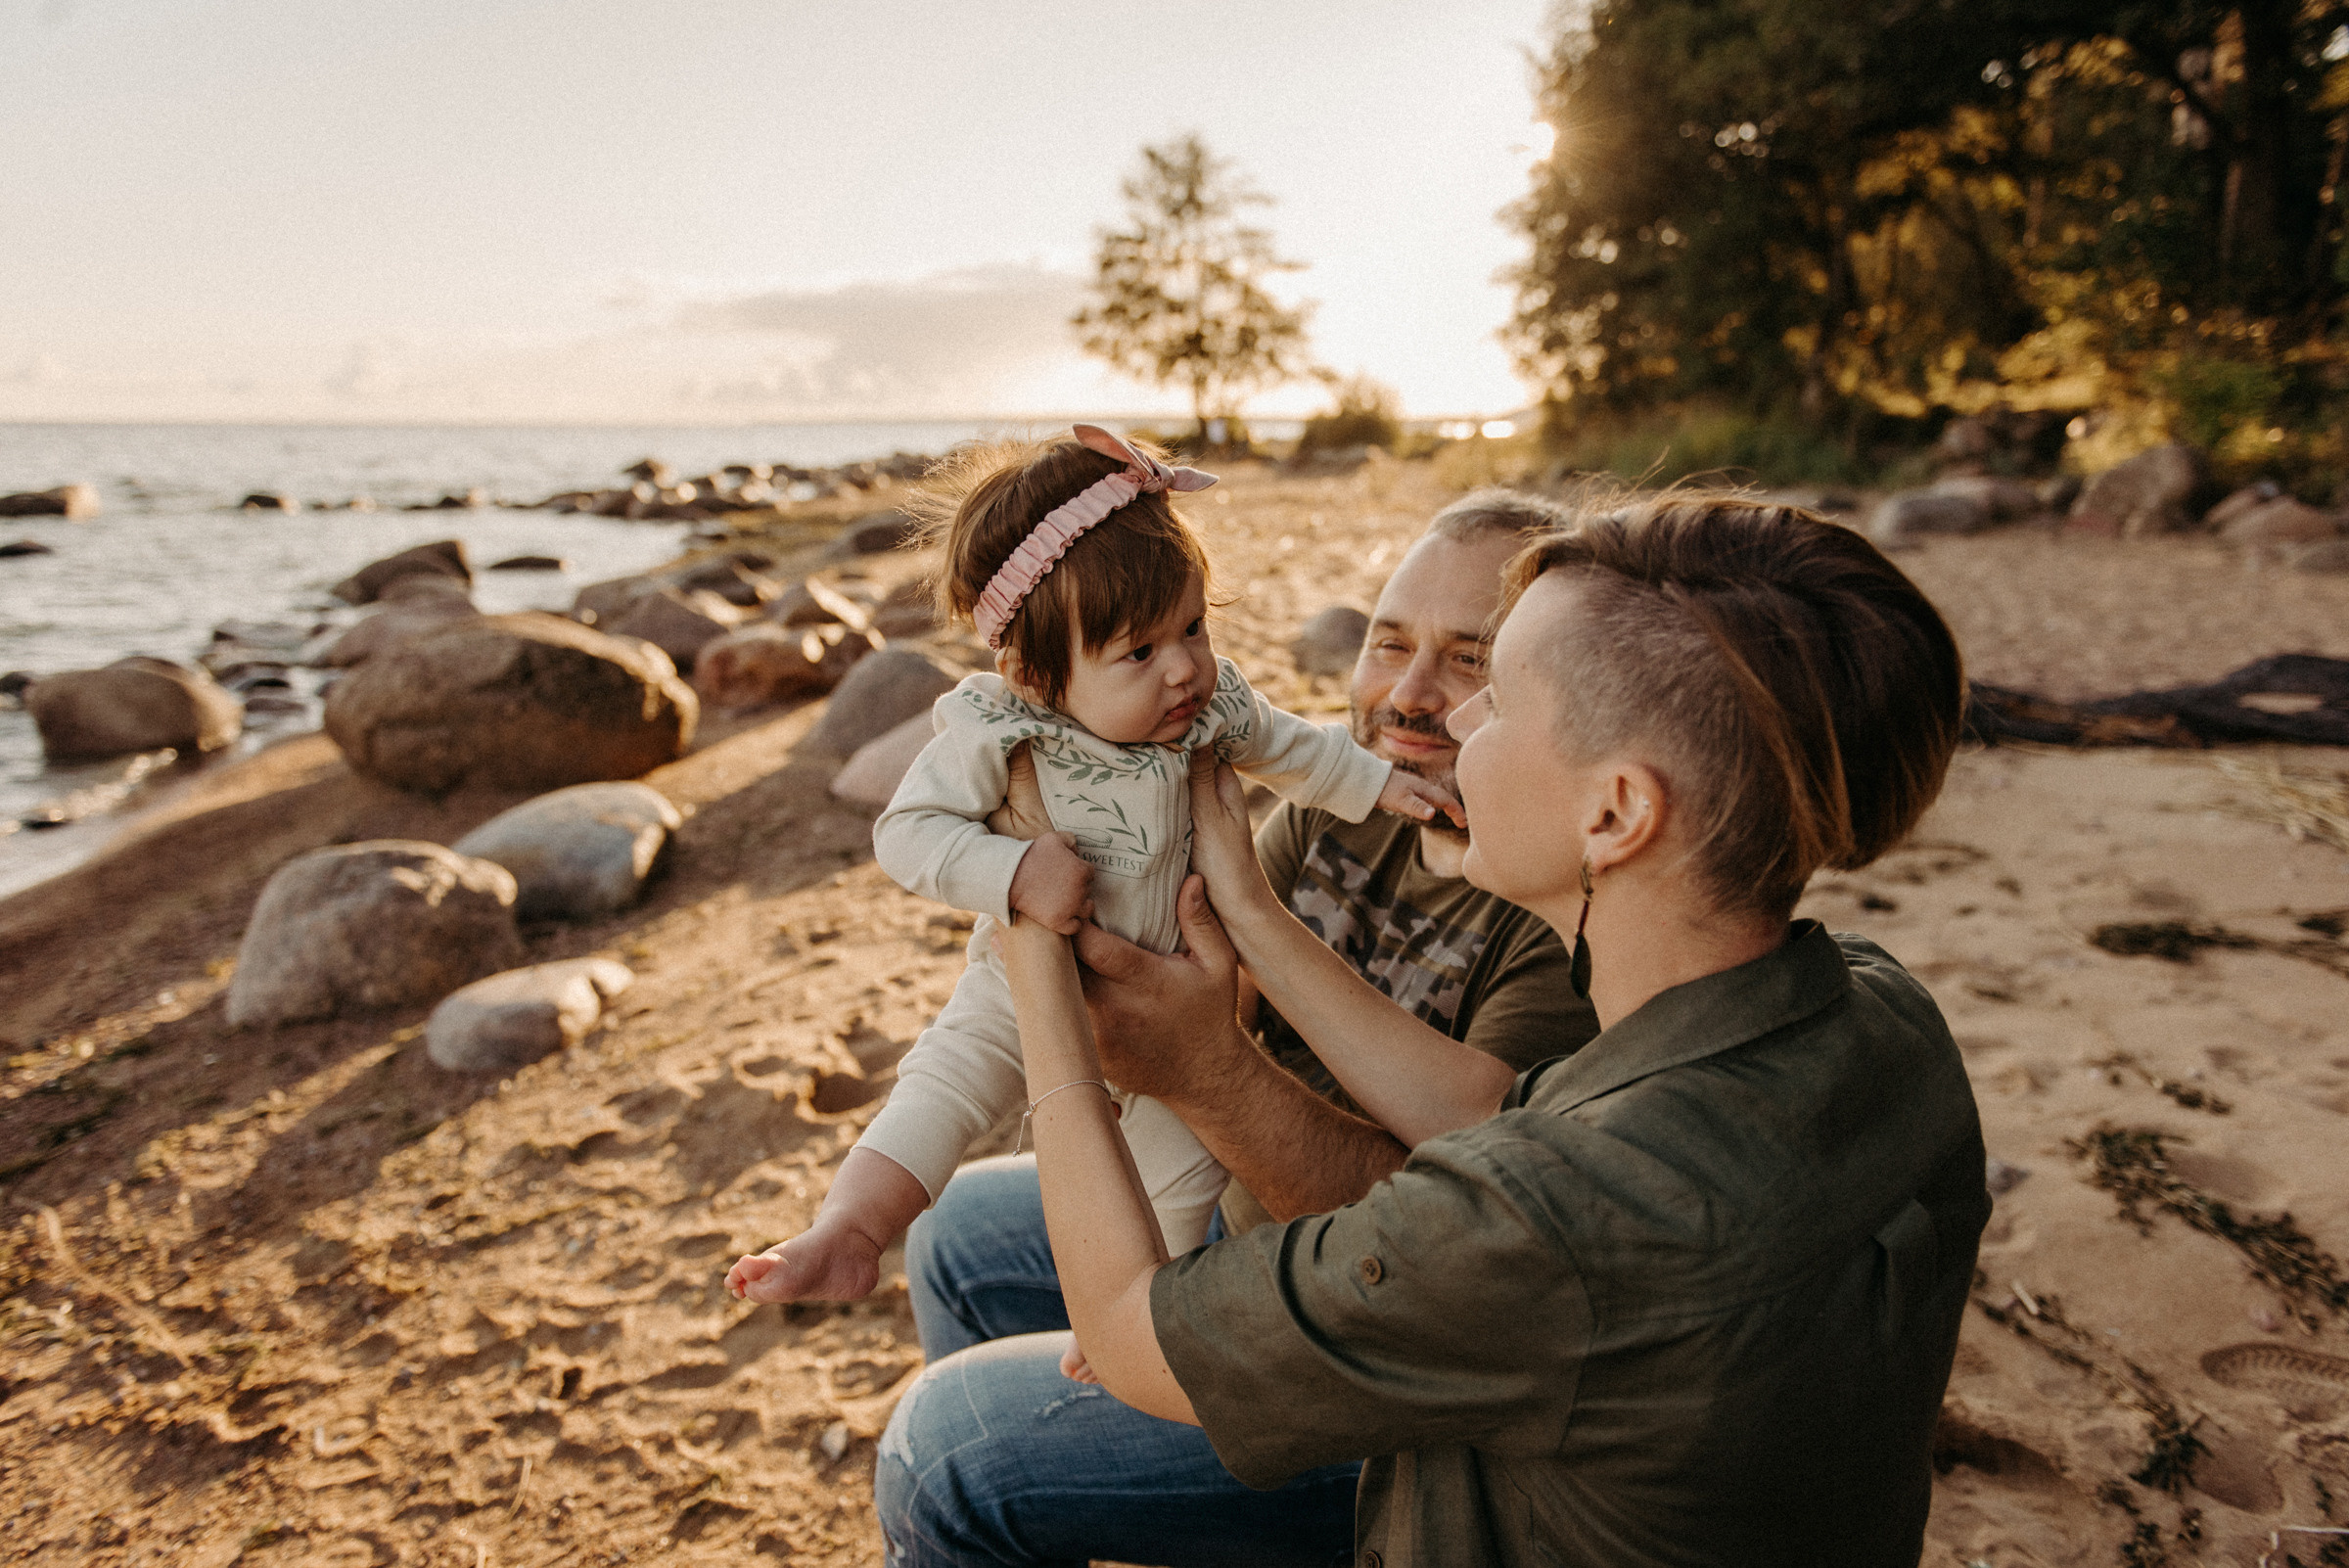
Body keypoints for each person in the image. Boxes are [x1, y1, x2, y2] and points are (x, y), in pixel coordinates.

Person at [980, 495, 1988, 1565]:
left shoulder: (1558, 1217)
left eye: (1495, 697)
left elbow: (1129, 1341)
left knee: (949, 1457)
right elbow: (1504, 1113)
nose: (1455, 722)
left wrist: (1037, 965)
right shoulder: (1880, 1009)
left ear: (1614, 814)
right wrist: (1254, 917)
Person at [875, 490, 1599, 1566]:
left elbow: (1440, 1251)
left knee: (945, 1452)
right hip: (1249, 1224)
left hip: (1386, 1364)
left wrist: (1206, 1047)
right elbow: (1185, 989)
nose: (1404, 693)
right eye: (1387, 641)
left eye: (1467, 661)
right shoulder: (1334, 812)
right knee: (955, 1234)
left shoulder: (1549, 901)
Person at [726, 426, 1456, 1307]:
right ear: (1036, 675)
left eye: (1192, 626)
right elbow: (908, 833)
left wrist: (1384, 786)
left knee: (1183, 1167)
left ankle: (1132, 1313)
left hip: (1187, 993)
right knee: (943, 1087)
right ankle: (850, 1229)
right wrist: (1010, 872)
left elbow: (1295, 748)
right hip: (1021, 989)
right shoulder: (1000, 730)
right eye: (1139, 653)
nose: (1184, 668)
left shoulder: (1211, 705)